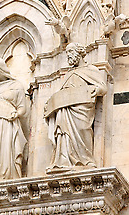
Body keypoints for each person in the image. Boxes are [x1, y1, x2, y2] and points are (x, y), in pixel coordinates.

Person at [45, 43, 107, 172]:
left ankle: (85, 160)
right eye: (67, 53)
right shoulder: (68, 74)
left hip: (82, 109)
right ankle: (63, 161)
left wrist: (96, 89)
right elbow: (60, 92)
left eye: (71, 52)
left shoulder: (91, 70)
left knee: (83, 128)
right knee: (63, 133)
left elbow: (103, 87)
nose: (69, 56)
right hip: (65, 111)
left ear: (79, 53)